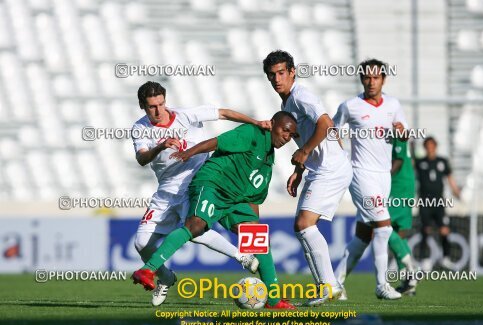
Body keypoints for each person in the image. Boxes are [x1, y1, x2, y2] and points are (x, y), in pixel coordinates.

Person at [131, 110, 299, 310]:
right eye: (285, 131)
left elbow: (254, 198)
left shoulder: (268, 160)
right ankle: (148, 270)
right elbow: (217, 142)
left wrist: (253, 230)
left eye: (291, 135)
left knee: (259, 239)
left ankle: (273, 300)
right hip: (212, 184)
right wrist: (189, 152)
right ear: (272, 124)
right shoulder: (252, 133)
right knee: (195, 226)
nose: (287, 138)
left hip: (234, 199)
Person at [262, 50, 353, 306]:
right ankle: (330, 287)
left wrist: (304, 151)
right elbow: (305, 136)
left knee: (304, 224)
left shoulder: (302, 96)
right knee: (301, 226)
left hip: (331, 167)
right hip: (319, 168)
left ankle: (329, 287)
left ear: (293, 72)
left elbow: (326, 124)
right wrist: (299, 170)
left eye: (281, 73)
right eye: (272, 75)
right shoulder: (286, 104)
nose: (277, 79)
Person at [334, 58, 408, 300]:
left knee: (364, 235)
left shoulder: (394, 105)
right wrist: (342, 159)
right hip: (359, 173)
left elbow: (405, 134)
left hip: (382, 176)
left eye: (376, 77)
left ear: (383, 79)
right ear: (361, 79)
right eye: (367, 77)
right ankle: (382, 285)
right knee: (384, 228)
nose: (371, 82)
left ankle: (334, 283)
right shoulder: (350, 106)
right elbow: (332, 131)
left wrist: (402, 133)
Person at [416, 136, 461, 271]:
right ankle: (424, 260)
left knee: (444, 230)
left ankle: (446, 258)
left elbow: (449, 178)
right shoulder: (419, 162)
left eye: (432, 145)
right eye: (427, 146)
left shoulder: (442, 161)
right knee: (426, 230)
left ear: (435, 146)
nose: (430, 148)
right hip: (424, 202)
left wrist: (456, 192)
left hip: (439, 202)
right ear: (425, 147)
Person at [388, 138, 419, 295]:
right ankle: (409, 280)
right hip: (404, 185)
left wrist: (384, 177)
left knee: (382, 226)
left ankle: (410, 270)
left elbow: (398, 161)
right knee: (399, 232)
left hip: (398, 187)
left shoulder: (396, 133)